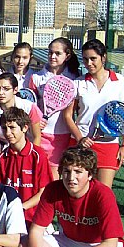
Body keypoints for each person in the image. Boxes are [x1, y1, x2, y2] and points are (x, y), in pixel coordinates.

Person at [63, 39, 124, 188]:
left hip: (108, 145)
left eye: (93, 58)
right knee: (78, 191)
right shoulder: (78, 83)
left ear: (103, 57)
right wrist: (80, 138)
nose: (89, 63)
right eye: (85, 59)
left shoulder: (119, 81)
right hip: (81, 146)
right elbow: (68, 116)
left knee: (103, 192)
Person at [24, 37, 81, 179]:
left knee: (55, 179)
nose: (52, 56)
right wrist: (35, 121)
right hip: (38, 134)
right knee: (36, 175)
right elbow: (29, 104)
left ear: (67, 56)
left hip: (62, 135)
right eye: (50, 52)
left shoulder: (75, 78)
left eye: (57, 53)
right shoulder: (36, 77)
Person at [0, 108, 53, 224]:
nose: (7, 133)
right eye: (4, 128)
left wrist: (21, 208)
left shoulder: (38, 155)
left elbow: (44, 191)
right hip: (9, 217)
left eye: (12, 128)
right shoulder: (2, 157)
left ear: (25, 128)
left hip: (34, 218)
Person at [0, 72, 42, 160]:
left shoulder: (29, 107)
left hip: (27, 149)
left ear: (15, 90)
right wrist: (0, 165)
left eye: (6, 89)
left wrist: (30, 159)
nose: (1, 92)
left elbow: (36, 137)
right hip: (6, 152)